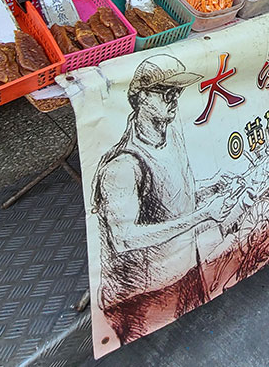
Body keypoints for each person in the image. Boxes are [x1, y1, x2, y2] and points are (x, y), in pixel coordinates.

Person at [91, 56, 237, 344]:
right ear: (142, 97)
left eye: (177, 93)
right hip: (145, 294)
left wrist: (211, 188)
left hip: (185, 272)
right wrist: (204, 215)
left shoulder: (171, 135)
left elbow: (167, 201)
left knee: (196, 342)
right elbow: (125, 237)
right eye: (166, 93)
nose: (174, 100)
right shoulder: (123, 165)